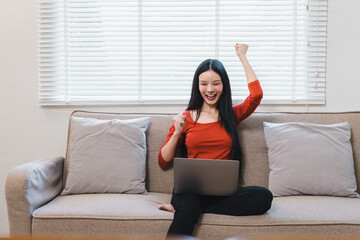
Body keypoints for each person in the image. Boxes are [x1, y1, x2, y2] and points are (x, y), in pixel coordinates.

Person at [157, 43, 273, 237]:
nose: (210, 89)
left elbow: (256, 95)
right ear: (197, 86)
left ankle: (190, 208)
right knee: (189, 202)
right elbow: (163, 161)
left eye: (215, 83)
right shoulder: (186, 118)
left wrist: (242, 56)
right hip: (190, 191)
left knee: (264, 197)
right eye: (204, 84)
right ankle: (188, 207)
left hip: (223, 192)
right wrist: (177, 132)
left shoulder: (232, 115)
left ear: (223, 85)